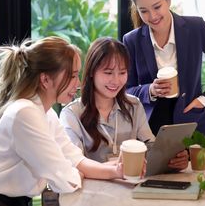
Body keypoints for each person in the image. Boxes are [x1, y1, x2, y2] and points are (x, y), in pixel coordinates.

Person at [0, 37, 124, 206]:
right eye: (73, 75)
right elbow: (64, 180)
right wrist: (74, 174)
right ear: (45, 80)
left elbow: (74, 158)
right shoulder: (25, 113)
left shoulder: (46, 113)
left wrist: (116, 171)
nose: (78, 83)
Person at [123, 0, 205, 135]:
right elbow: (126, 89)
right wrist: (149, 90)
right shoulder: (132, 40)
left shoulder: (196, 27)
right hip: (150, 131)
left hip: (192, 124)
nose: (153, 16)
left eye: (157, 7)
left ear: (168, 0)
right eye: (144, 11)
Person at [59, 37, 188, 170]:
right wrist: (116, 169)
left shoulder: (134, 105)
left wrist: (171, 159)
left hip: (131, 186)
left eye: (122, 72)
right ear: (92, 71)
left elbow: (150, 147)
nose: (116, 81)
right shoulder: (72, 114)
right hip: (93, 188)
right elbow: (74, 164)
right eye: (108, 73)